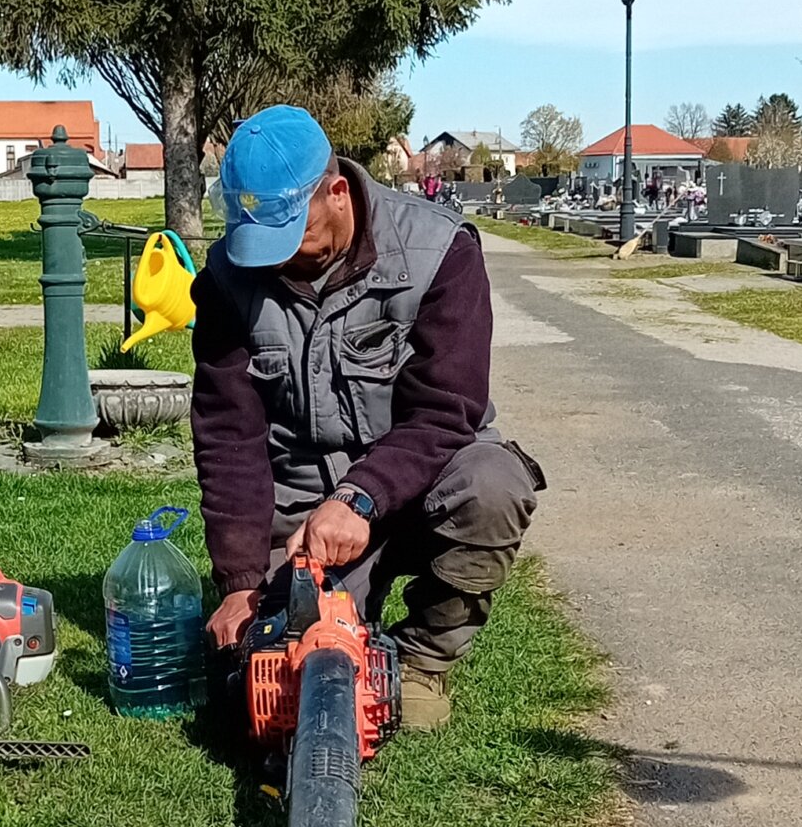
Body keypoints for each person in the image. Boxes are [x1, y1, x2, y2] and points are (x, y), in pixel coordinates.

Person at [191, 105, 545, 731]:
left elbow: (447, 410)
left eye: (289, 237)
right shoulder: (226, 279)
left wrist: (360, 499)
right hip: (302, 503)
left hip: (420, 481)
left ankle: (421, 658)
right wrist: (241, 583)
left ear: (336, 192)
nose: (271, 262)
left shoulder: (441, 252)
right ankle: (344, 607)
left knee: (495, 486)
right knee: (274, 660)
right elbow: (229, 436)